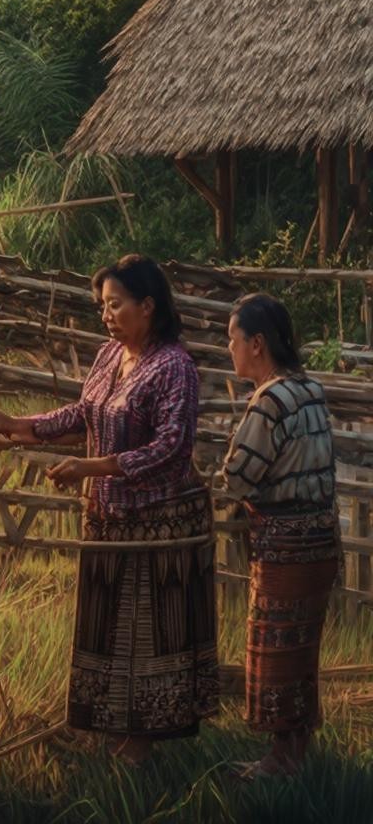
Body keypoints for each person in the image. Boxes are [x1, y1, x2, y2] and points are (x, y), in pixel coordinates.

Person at [0, 254, 218, 764]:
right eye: (101, 306)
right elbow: (83, 412)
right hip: (108, 516)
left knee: (146, 628)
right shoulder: (111, 354)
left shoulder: (174, 367)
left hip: (158, 521)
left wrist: (92, 469)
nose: (105, 315)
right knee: (105, 623)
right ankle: (108, 724)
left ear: (148, 306)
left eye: (114, 305)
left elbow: (171, 447)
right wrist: (22, 425)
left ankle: (142, 738)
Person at [220, 293, 339, 779]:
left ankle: (279, 761)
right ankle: (294, 755)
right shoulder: (310, 389)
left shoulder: (269, 401)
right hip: (320, 542)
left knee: (274, 652)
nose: (230, 348)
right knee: (300, 650)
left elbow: (237, 476)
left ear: (258, 343)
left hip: (286, 548)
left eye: (233, 339)